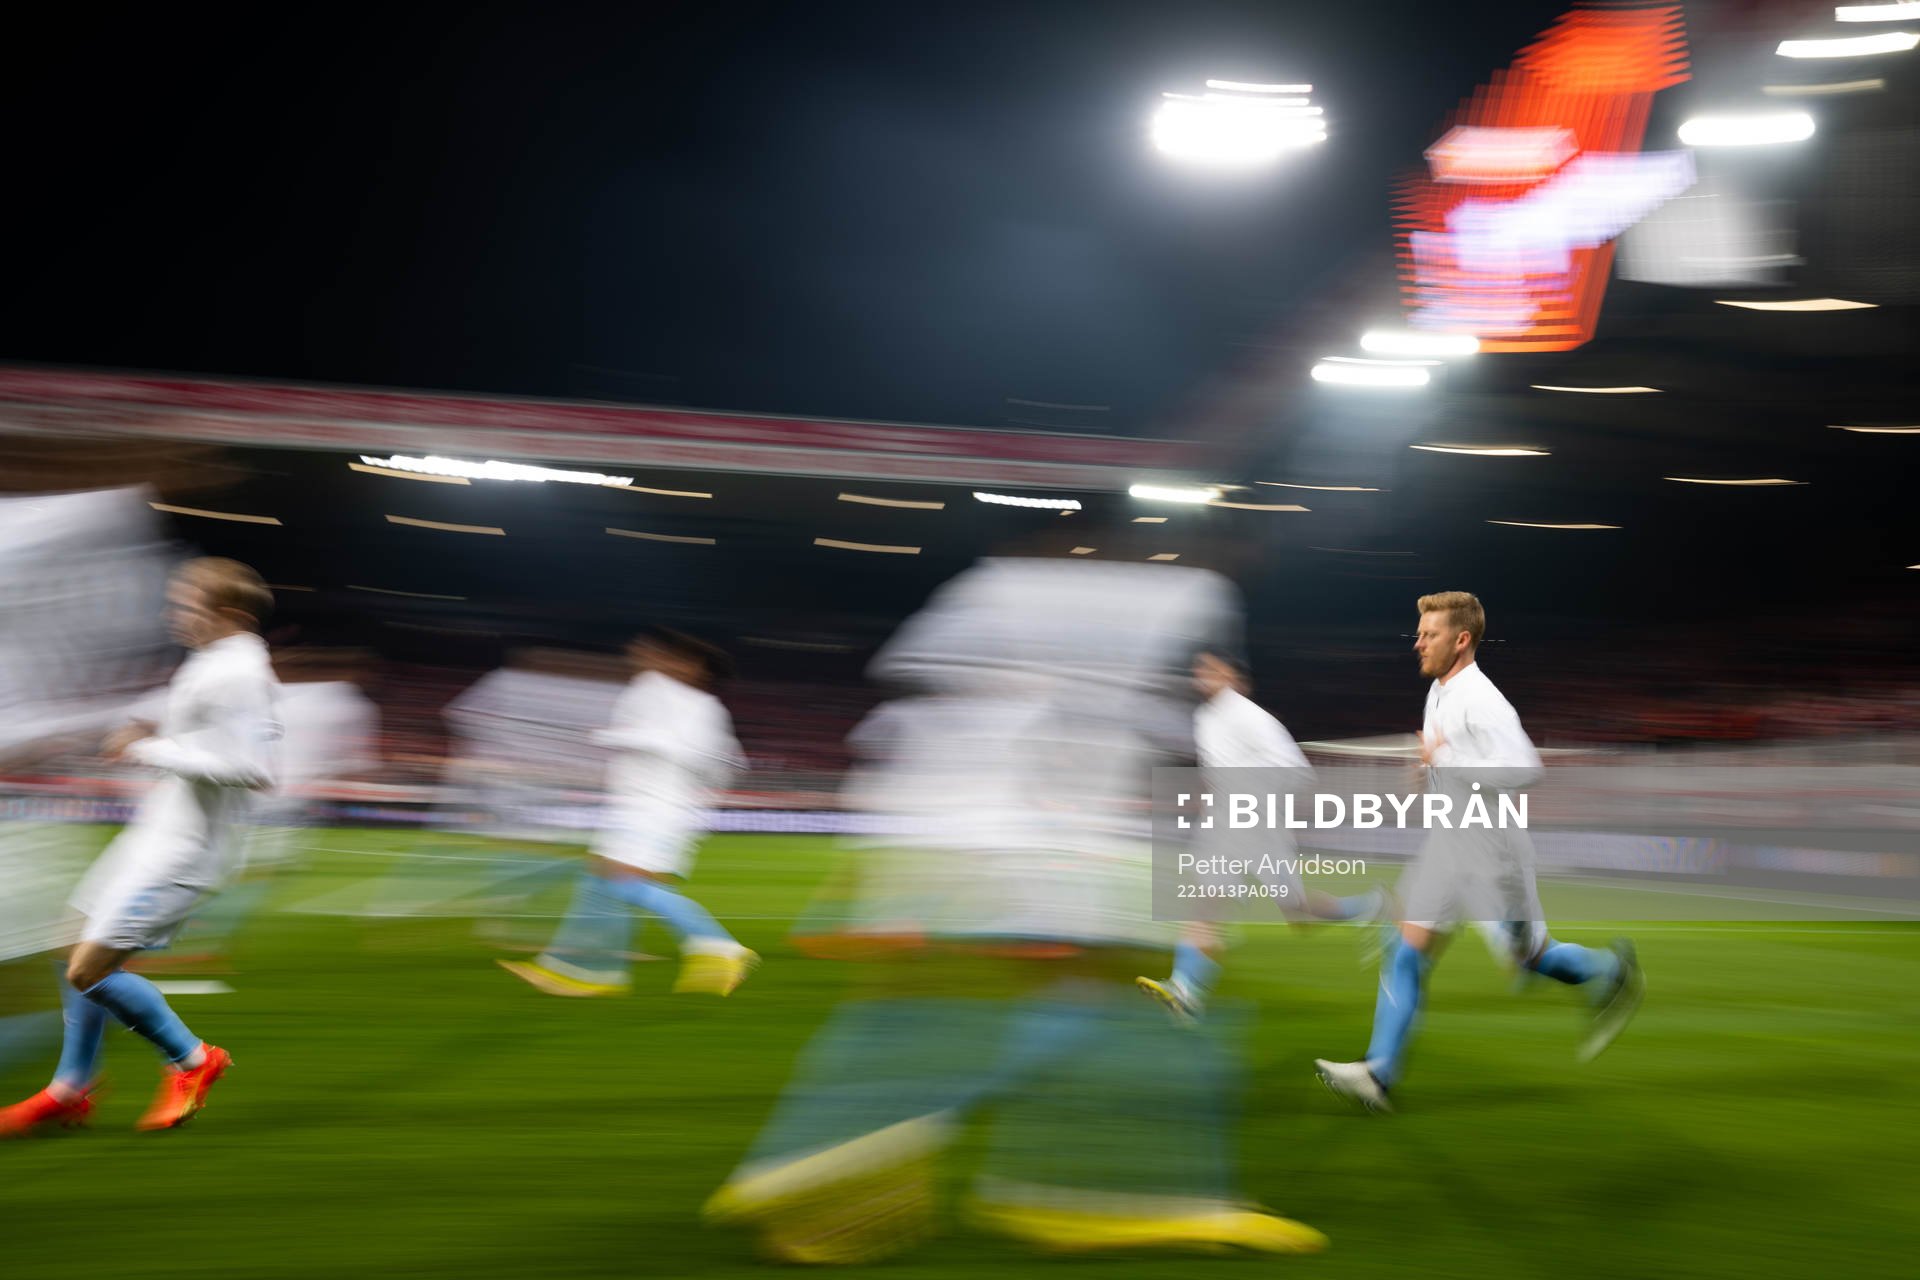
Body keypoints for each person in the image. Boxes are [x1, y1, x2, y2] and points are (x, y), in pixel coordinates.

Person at [1313, 591, 1643, 1112]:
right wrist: (1430, 774)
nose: (1418, 642)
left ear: (1461, 640)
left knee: (1530, 958)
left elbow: (1526, 768)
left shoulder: (1481, 699)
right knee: (1405, 949)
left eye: (1430, 634)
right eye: (1419, 632)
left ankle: (1609, 972)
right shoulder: (1441, 691)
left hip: (1495, 856)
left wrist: (1450, 762)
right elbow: (1456, 761)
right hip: (1451, 846)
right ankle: (1378, 1074)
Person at [0, 557, 279, 1135]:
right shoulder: (215, 662)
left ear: (226, 613)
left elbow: (253, 768)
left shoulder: (244, 671)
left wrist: (148, 749)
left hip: (184, 853)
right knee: (68, 941)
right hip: (154, 835)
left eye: (185, 605)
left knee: (89, 970)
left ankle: (193, 1060)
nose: (172, 614)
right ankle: (70, 1091)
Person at [498, 628, 755, 998]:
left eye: (657, 653)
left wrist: (617, 737)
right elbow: (719, 764)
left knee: (624, 883)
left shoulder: (694, 704)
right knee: (600, 881)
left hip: (656, 810)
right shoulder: (658, 693)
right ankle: (587, 971)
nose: (643, 657)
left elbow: (697, 755)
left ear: (690, 665)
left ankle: (717, 945)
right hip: (639, 807)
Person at [1137, 649, 1390, 1022]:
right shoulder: (1205, 717)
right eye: (1199, 669)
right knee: (1209, 902)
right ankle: (1186, 990)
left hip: (1257, 824)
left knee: (1294, 915)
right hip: (1229, 824)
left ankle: (1372, 905)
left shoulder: (1251, 716)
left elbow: (1295, 769)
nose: (1203, 675)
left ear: (1235, 677)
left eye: (1212, 668)